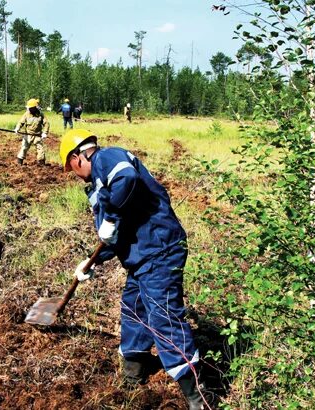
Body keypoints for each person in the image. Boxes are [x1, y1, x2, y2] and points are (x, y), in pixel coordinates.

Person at [59, 129, 207, 410]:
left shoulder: (106, 157)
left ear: (78, 157)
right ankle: (133, 373)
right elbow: (112, 237)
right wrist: (93, 262)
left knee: (163, 316)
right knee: (134, 309)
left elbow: (126, 178)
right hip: (141, 257)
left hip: (160, 250)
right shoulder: (97, 187)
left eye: (71, 168)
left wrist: (111, 217)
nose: (74, 173)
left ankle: (197, 394)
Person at [14, 98, 50, 166]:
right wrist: (17, 128)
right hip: (28, 135)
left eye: (30, 108)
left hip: (37, 135)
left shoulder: (41, 114)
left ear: (35, 107)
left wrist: (45, 133)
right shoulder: (26, 114)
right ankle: (19, 162)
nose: (29, 109)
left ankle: (41, 163)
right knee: (24, 148)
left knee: (40, 149)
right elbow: (21, 122)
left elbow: (46, 124)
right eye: (29, 108)